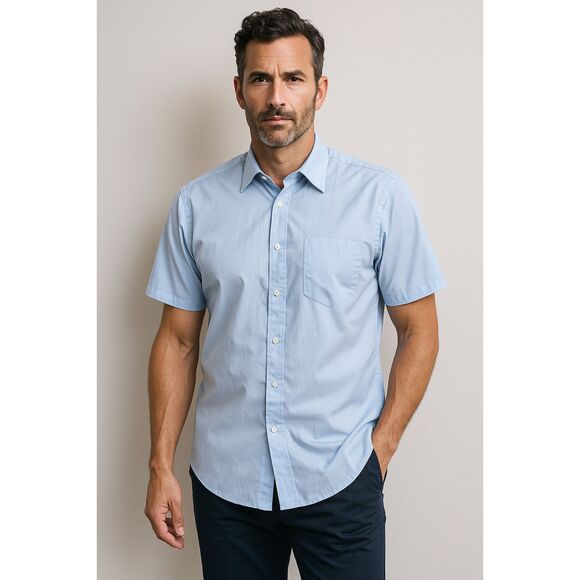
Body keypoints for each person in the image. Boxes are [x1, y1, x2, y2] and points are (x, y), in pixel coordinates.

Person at [143, 7, 447, 579]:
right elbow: (177, 342)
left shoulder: (380, 199)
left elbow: (420, 330)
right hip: (228, 486)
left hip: (341, 478)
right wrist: (160, 465)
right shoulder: (195, 206)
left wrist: (379, 451)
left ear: (320, 90)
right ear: (239, 91)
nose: (277, 96)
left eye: (293, 78)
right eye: (261, 78)